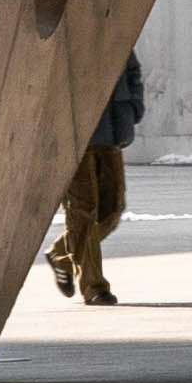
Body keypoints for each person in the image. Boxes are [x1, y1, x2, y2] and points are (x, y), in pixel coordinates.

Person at [44, 50, 146, 305]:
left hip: (112, 129)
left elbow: (132, 70)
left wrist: (133, 105)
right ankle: (94, 287)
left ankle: (60, 253)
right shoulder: (62, 38)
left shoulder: (113, 33)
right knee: (83, 211)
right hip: (72, 136)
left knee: (112, 210)